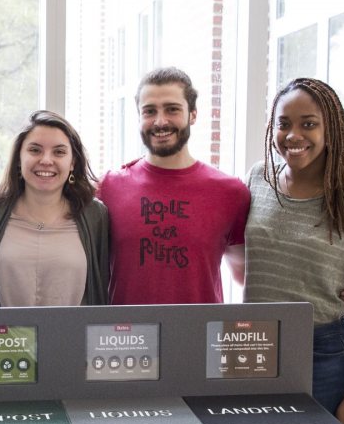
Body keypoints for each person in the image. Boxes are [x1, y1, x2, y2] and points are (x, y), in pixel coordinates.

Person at [243, 77, 344, 424]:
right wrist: (316, 283)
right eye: (284, 123)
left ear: (331, 130)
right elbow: (245, 257)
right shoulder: (257, 180)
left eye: (308, 124)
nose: (294, 135)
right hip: (253, 349)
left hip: (322, 356)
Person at [98, 67, 249, 305]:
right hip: (126, 338)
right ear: (139, 117)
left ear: (193, 115)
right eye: (149, 111)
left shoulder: (231, 192)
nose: (160, 121)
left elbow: (244, 275)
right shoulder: (109, 187)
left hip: (200, 336)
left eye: (172, 109)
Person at [0, 110, 109, 307]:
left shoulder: (95, 216)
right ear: (19, 158)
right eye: (35, 150)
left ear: (72, 162)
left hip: (73, 337)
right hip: (4, 337)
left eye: (59, 152)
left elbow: (103, 279)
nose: (46, 160)